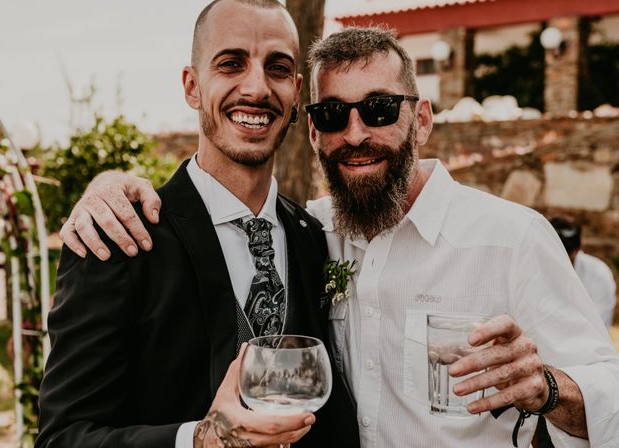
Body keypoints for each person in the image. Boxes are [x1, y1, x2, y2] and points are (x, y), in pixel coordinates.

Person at [60, 27, 619, 447]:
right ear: (311, 129)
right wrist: (108, 185)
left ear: (421, 119)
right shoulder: (310, 230)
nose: (356, 134)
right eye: (332, 114)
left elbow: (609, 395)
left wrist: (547, 387)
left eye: (378, 109)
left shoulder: (512, 239)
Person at [36, 0, 360, 448]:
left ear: (296, 95)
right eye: (231, 63)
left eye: (278, 68)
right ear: (192, 86)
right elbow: (62, 438)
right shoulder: (118, 236)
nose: (256, 88)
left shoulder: (314, 238)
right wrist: (199, 441)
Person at [550, 216, 617, 328]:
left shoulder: (599, 274)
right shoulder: (532, 268)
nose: (560, 261)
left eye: (567, 256)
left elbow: (598, 326)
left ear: (579, 248)